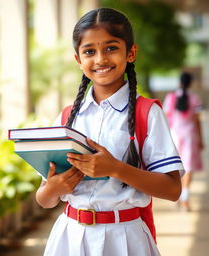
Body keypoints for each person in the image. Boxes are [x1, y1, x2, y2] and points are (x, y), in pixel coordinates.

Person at [36, 8, 184, 256]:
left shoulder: (147, 113)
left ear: (131, 53)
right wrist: (54, 188)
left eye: (111, 48)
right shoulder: (67, 118)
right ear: (78, 60)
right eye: (89, 51)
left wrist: (115, 168)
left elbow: (172, 190)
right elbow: (44, 198)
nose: (101, 59)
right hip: (69, 238)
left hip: (124, 238)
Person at [163, 72, 203, 211]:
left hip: (174, 135)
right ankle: (185, 197)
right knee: (189, 167)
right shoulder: (194, 98)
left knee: (175, 166)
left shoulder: (171, 97)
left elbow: (166, 119)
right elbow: (197, 121)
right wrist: (201, 139)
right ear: (190, 83)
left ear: (179, 82)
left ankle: (178, 194)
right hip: (190, 136)